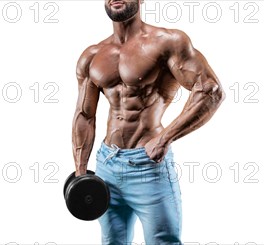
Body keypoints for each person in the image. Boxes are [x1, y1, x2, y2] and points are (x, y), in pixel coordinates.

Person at [71, 0, 225, 244]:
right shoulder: (92, 55)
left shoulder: (168, 42)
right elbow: (85, 115)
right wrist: (81, 172)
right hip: (106, 166)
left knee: (163, 241)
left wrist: (165, 138)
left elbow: (210, 91)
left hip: (148, 166)